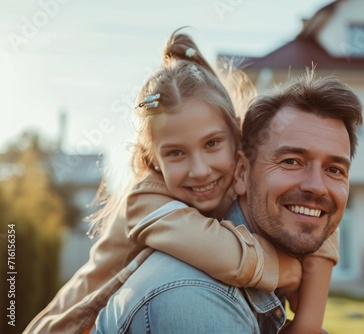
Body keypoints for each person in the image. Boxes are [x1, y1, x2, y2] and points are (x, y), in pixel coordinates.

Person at [24, 30, 340, 334]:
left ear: (236, 139)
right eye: (176, 153)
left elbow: (314, 209)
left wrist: (309, 321)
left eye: (212, 144)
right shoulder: (146, 199)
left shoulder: (242, 172)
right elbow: (223, 254)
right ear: (153, 160)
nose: (200, 170)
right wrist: (285, 270)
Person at [92, 72, 363, 333]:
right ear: (241, 172)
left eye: (334, 170)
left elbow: (322, 222)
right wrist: (276, 269)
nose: (317, 186)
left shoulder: (228, 191)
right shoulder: (195, 299)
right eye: (291, 161)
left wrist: (308, 323)